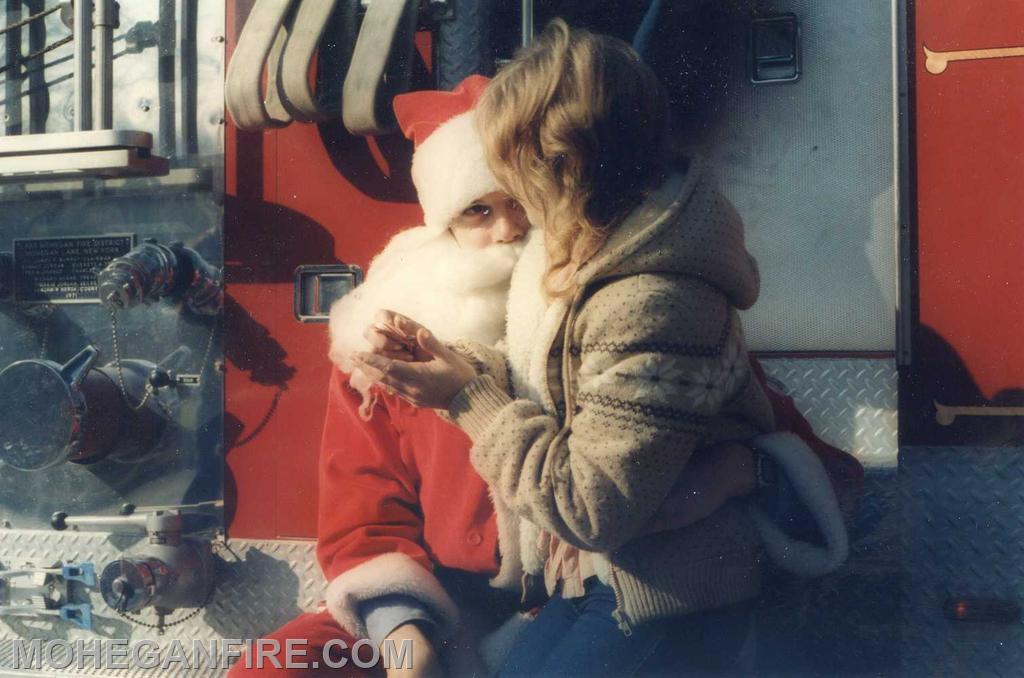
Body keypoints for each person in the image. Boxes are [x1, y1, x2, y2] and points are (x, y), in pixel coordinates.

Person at [229, 76, 800, 678]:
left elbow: (761, 436)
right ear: (444, 221)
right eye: (477, 210)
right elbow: (364, 518)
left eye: (518, 203)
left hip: (607, 593)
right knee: (270, 668)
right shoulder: (386, 336)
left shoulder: (614, 308)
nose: (505, 230)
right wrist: (405, 633)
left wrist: (729, 475)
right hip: (439, 604)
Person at [351, 22, 843, 676]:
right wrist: (453, 361)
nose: (509, 202)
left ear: (559, 164)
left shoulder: (653, 296)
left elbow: (592, 507)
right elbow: (548, 389)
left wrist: (465, 395)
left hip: (668, 595)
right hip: (600, 579)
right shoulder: (575, 252)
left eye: (512, 168)